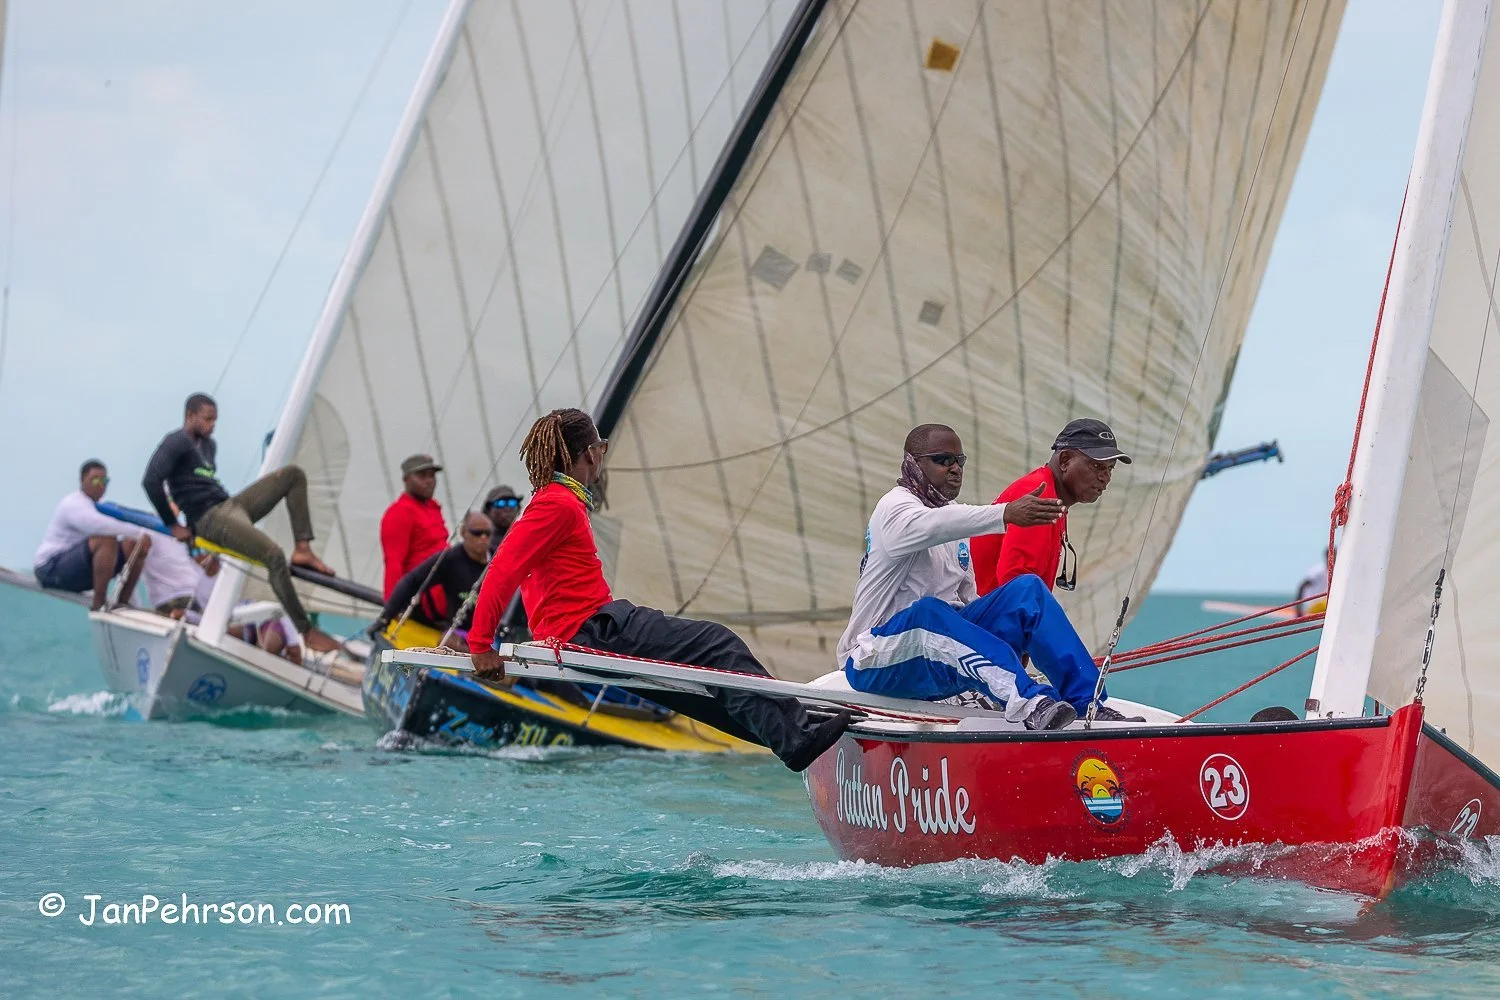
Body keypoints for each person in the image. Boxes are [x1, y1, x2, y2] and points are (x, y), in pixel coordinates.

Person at [468, 408, 851, 772]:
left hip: (592, 624)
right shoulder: (557, 504)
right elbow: (503, 569)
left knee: (697, 683)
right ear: (588, 453)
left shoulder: (561, 502)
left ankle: (787, 731)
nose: (602, 456)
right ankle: (794, 739)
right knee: (718, 644)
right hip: (591, 631)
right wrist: (481, 646)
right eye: (600, 448)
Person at [837, 424, 1143, 730]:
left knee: (1027, 592)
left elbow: (969, 599)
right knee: (929, 612)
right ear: (913, 463)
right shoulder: (895, 508)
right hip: (874, 659)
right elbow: (935, 524)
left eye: (961, 461)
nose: (955, 469)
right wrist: (1004, 513)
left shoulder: (954, 523)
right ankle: (1029, 702)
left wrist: (1006, 642)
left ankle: (1087, 703)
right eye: (943, 460)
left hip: (934, 657)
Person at [141, 392, 340, 652]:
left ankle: (303, 549)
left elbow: (205, 484)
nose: (213, 425)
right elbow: (150, 481)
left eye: (216, 420)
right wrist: (172, 524)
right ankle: (307, 631)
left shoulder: (209, 446)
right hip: (209, 518)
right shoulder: (176, 442)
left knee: (292, 475)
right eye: (207, 419)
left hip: (230, 505)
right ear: (190, 416)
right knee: (274, 555)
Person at [972, 418, 1131, 596]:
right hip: (983, 619)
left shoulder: (1051, 494)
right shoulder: (1040, 496)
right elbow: (1016, 588)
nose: (1105, 477)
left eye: (1110, 468)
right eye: (1097, 465)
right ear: (1065, 460)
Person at [33, 460, 152, 609]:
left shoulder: (102, 505)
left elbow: (126, 548)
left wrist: (139, 538)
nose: (100, 484)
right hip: (50, 568)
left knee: (134, 545)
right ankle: (99, 603)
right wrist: (139, 533)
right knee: (106, 540)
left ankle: (124, 602)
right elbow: (98, 525)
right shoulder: (73, 504)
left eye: (104, 480)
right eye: (95, 479)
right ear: (82, 480)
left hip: (78, 571)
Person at [375, 511, 492, 650]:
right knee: (447, 643)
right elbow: (411, 581)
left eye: (488, 533)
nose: (483, 538)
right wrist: (385, 618)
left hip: (493, 634)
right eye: (477, 533)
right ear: (463, 532)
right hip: (460, 632)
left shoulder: (499, 560)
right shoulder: (449, 559)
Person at [381, 454, 448, 598]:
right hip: (419, 599)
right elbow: (393, 563)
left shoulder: (431, 507)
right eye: (422, 476)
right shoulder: (399, 512)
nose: (429, 481)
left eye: (432, 476)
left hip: (442, 597)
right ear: (406, 479)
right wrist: (393, 604)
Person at [482, 485, 522, 554]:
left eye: (512, 503)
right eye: (501, 503)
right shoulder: (482, 541)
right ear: (488, 510)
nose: (507, 508)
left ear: (518, 508)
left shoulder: (525, 536)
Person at [1296, 549, 1331, 615]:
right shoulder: (1317, 571)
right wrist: (1298, 609)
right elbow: (1302, 586)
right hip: (1313, 605)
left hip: (1324, 603)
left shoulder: (1335, 570)